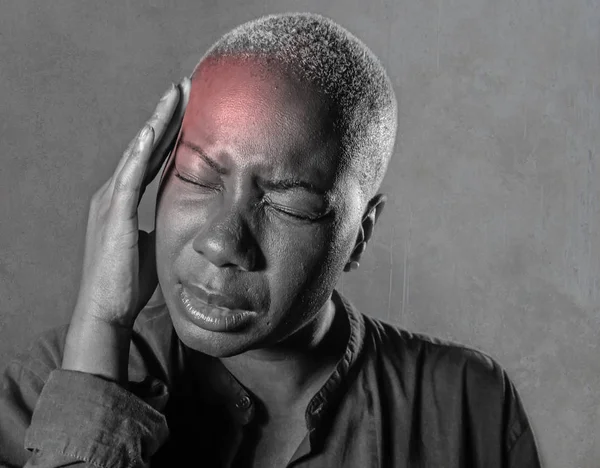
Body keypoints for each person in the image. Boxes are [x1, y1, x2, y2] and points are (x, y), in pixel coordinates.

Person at [0, 12, 542, 468]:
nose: (223, 242)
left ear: (359, 236)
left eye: (289, 204)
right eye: (196, 176)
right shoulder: (54, 380)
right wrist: (100, 328)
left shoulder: (468, 406)